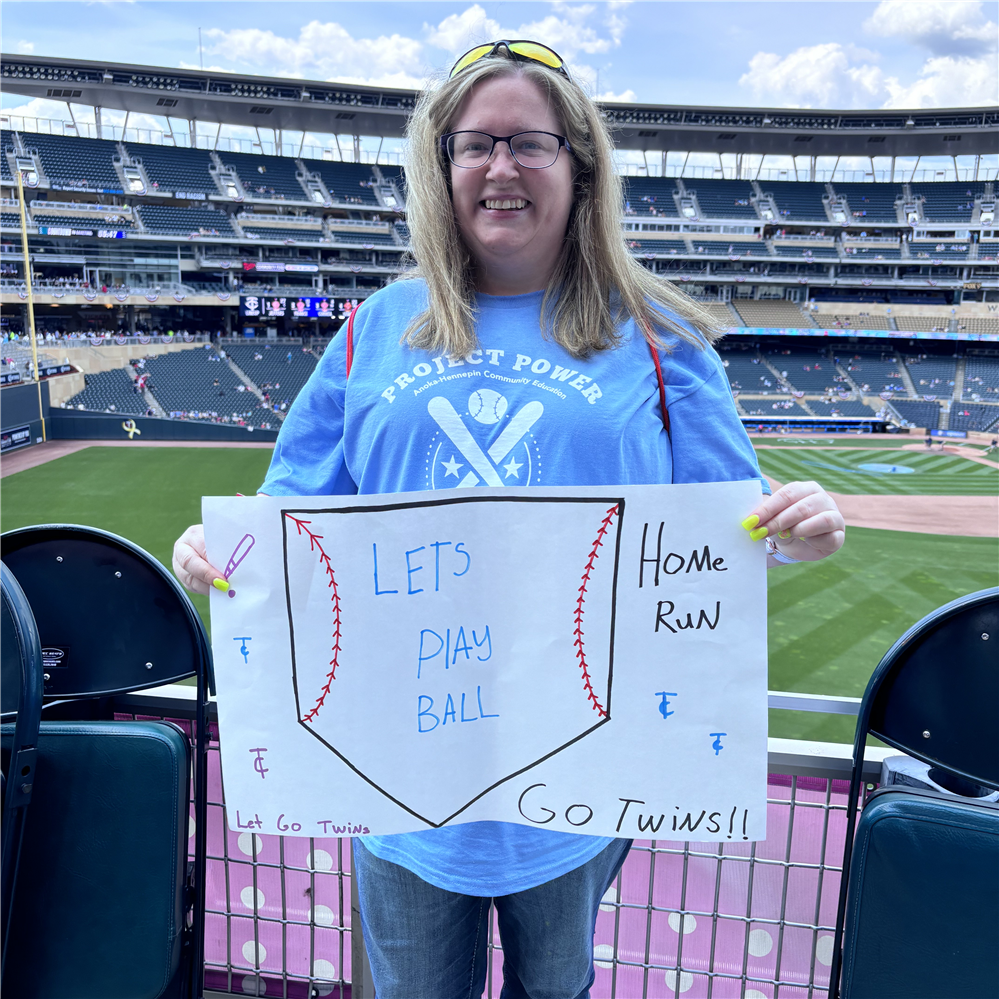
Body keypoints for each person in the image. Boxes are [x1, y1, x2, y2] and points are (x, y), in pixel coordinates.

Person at [173, 40, 846, 999]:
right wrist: (213, 552)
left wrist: (794, 529)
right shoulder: (371, 331)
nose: (500, 168)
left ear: (579, 165)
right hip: (401, 785)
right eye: (473, 144)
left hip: (581, 782)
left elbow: (725, 540)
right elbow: (284, 527)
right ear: (440, 167)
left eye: (530, 143)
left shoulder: (659, 341)